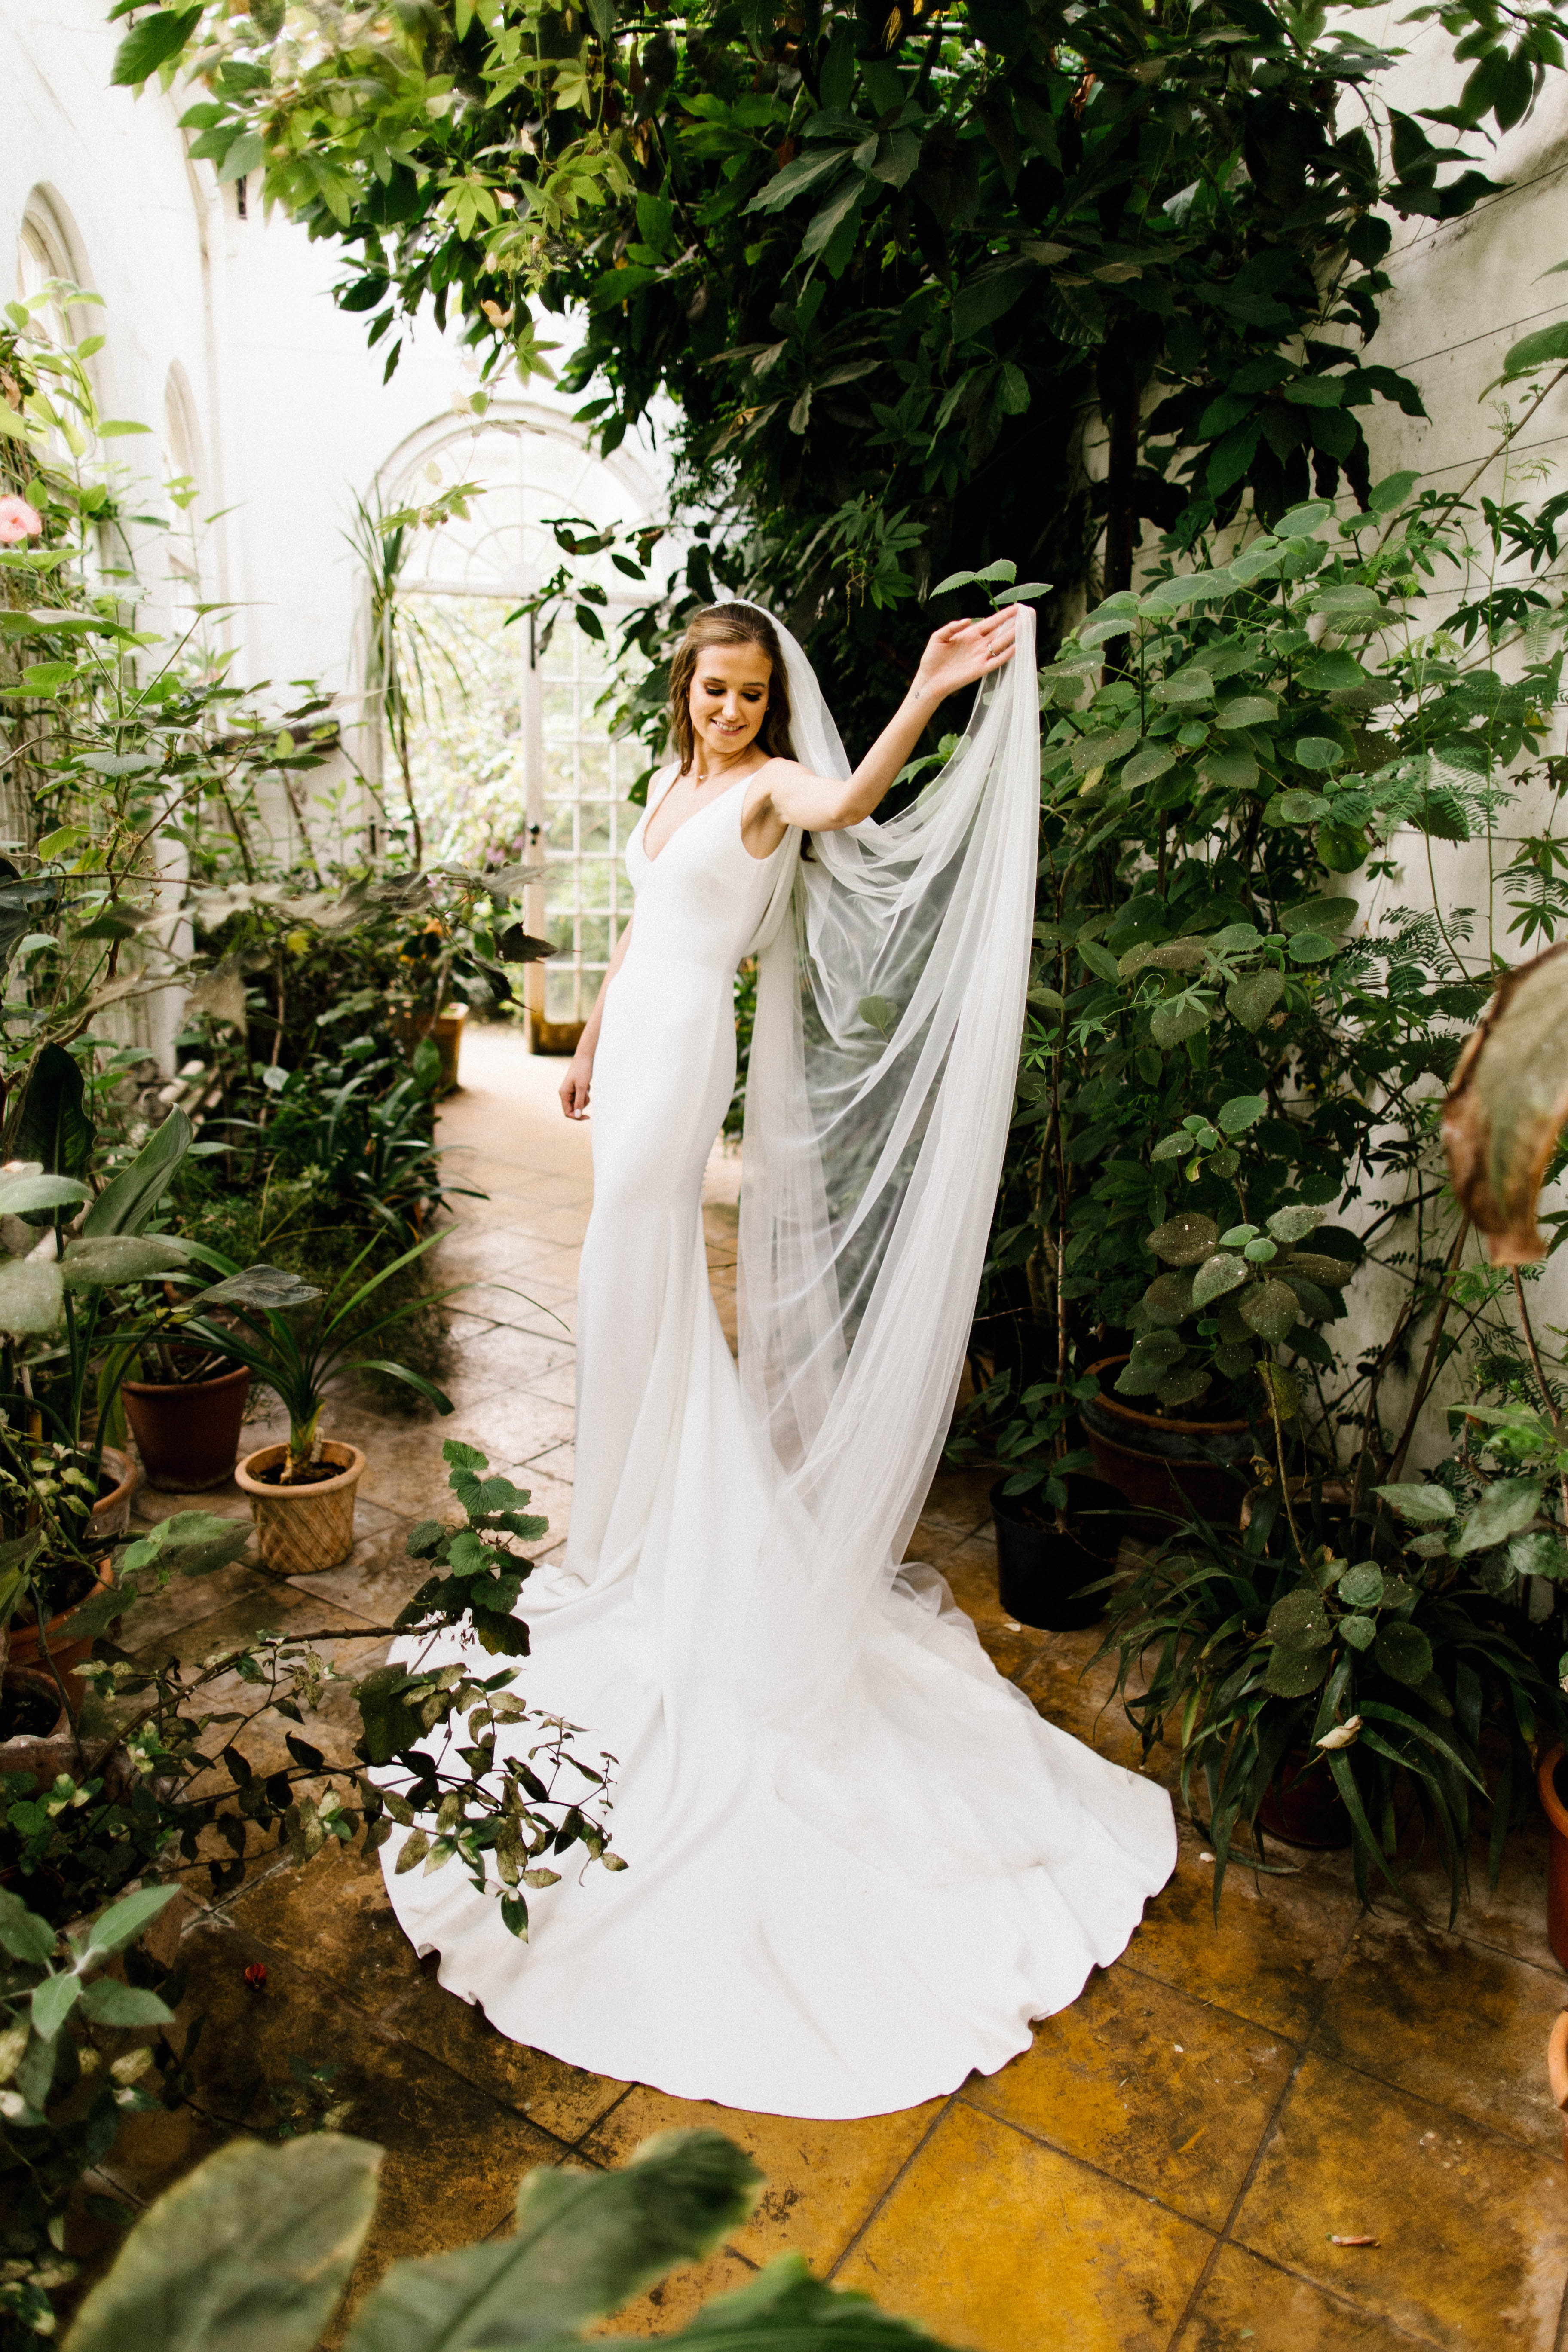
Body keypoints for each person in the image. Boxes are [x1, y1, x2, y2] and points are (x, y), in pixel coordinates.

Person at [381, 600, 1176, 2121]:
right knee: (626, 1287)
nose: (734, 710)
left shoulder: (770, 793)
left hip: (696, 1072)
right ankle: (617, 1533)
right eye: (713, 688)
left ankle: (648, 1542)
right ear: (683, 690)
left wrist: (933, 684)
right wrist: (596, 1039)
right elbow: (635, 934)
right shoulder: (671, 784)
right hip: (642, 1052)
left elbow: (857, 796)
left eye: (751, 693)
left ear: (767, 705)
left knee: (644, 1270)